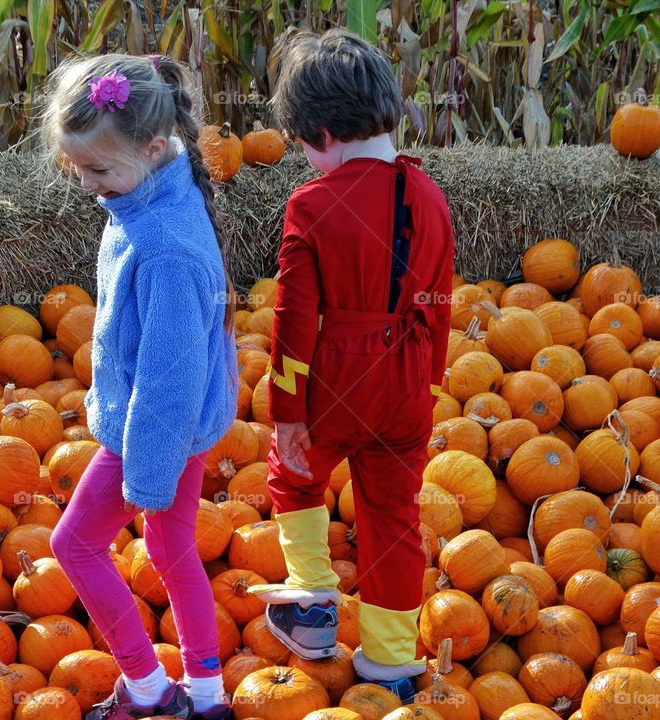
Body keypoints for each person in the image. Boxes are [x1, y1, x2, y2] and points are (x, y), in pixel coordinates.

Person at [247, 29, 456, 702]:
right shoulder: (430, 194)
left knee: (296, 474)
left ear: (325, 132)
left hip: (338, 375)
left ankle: (310, 605)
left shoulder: (311, 204)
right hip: (408, 379)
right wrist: (429, 378)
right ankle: (392, 666)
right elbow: (442, 296)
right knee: (393, 519)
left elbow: (293, 320)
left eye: (305, 145)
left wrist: (287, 415)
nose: (308, 160)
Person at [43, 52, 238, 720]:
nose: (90, 185)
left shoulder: (165, 249)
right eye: (80, 169)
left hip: (151, 432)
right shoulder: (157, 189)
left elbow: (169, 378)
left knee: (73, 545)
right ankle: (208, 696)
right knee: (171, 547)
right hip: (179, 429)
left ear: (154, 147)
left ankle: (151, 690)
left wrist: (147, 477)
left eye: (98, 170)